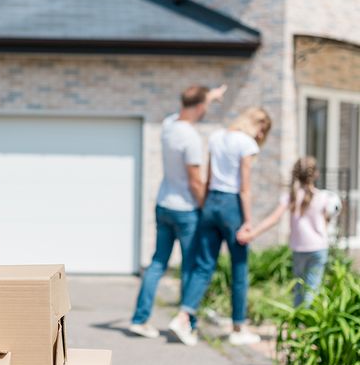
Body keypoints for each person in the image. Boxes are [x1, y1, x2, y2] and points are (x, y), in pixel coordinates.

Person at [129, 84, 227, 338]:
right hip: (185, 211)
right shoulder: (191, 139)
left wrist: (211, 95)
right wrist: (207, 207)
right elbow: (195, 181)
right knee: (190, 266)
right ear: (200, 107)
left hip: (163, 205)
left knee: (158, 263)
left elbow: (183, 109)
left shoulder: (168, 125)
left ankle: (139, 320)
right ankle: (187, 323)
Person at [169, 107, 272, 346]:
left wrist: (206, 206)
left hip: (212, 202)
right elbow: (244, 188)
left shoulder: (216, 137)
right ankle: (239, 327)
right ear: (255, 124)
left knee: (203, 265)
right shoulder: (246, 144)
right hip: (232, 205)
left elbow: (209, 174)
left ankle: (183, 316)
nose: (260, 136)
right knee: (239, 267)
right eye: (261, 130)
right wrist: (248, 222)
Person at [236, 157, 332, 307]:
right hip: (319, 248)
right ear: (316, 174)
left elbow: (273, 219)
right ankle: (306, 323)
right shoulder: (323, 197)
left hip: (299, 249)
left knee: (299, 288)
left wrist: (252, 234)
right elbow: (327, 221)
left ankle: (297, 322)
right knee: (312, 288)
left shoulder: (291, 197)